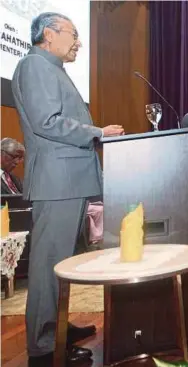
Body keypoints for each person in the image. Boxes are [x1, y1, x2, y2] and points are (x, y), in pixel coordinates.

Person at [11, 12, 124, 365]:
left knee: (62, 264)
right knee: (48, 267)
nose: (78, 42)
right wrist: (98, 133)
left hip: (70, 181)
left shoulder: (53, 69)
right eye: (73, 34)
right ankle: (44, 347)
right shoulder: (35, 65)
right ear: (49, 34)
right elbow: (48, 122)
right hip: (57, 183)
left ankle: (57, 326)